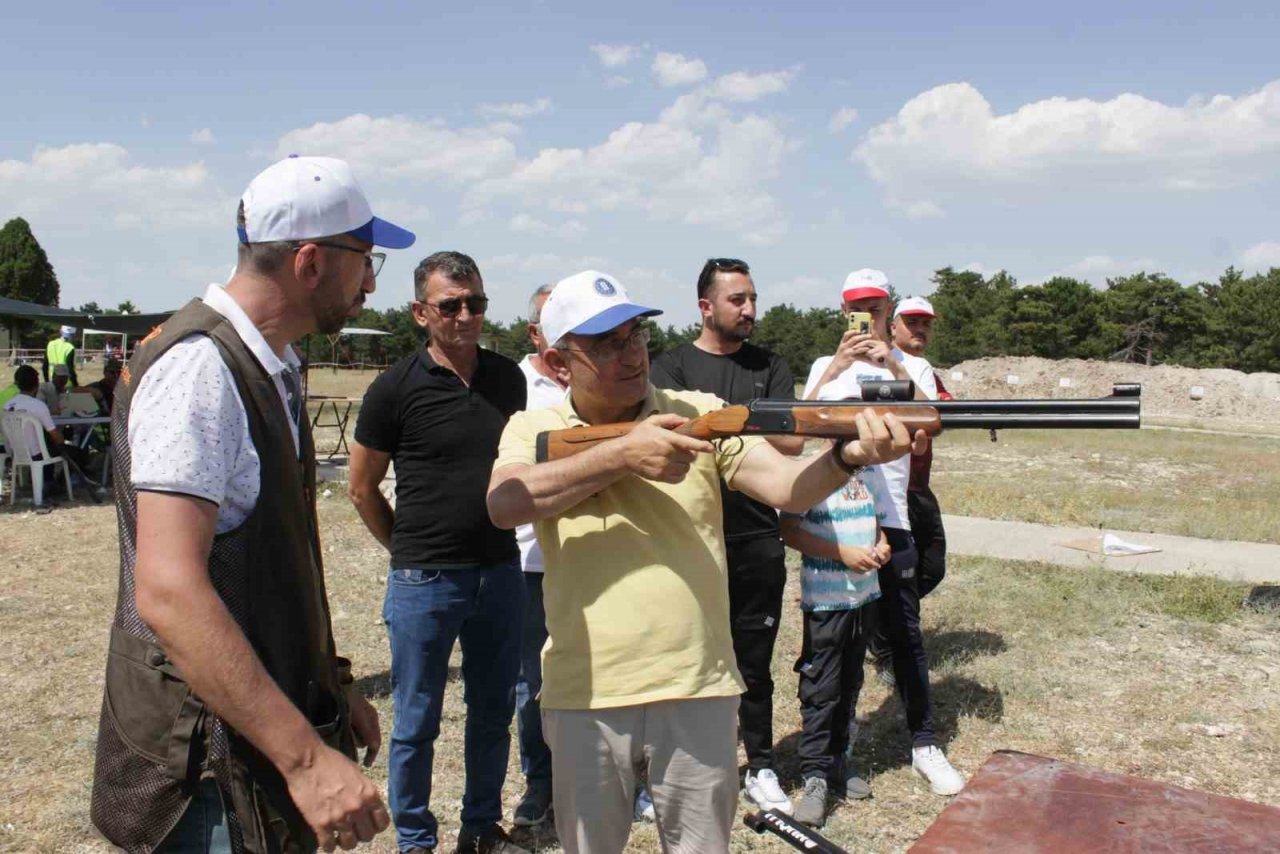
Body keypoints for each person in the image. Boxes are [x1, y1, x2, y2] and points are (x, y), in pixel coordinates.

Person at [486, 269, 924, 854]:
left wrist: (847, 455)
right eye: (606, 343)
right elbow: (505, 503)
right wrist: (621, 453)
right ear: (562, 362)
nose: (631, 352)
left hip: (699, 684)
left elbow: (789, 488)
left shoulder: (700, 411)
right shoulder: (534, 426)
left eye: (636, 335)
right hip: (585, 691)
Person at [90, 154, 413, 853]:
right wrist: (304, 759)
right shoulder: (201, 371)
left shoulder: (271, 361)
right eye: (365, 258)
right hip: (205, 768)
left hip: (243, 745)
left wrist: (331, 683)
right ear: (309, 262)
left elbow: (269, 563)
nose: (370, 280)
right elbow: (170, 591)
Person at [348, 251, 529, 854]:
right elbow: (360, 485)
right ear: (421, 312)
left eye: (475, 302)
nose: (465, 315)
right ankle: (416, 843)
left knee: (492, 712)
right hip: (426, 580)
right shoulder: (393, 387)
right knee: (416, 721)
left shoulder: (509, 380)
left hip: (501, 571)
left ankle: (480, 830)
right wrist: (404, 548)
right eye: (450, 306)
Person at [650, 257, 802, 816]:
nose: (750, 310)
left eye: (752, 298)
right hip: (685, 538)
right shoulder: (669, 367)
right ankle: (668, 771)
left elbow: (791, 447)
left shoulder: (771, 365)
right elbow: (673, 440)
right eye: (737, 299)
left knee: (753, 661)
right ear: (705, 306)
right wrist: (746, 423)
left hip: (756, 537)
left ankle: (759, 764)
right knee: (679, 655)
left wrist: (728, 424)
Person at [779, 452, 890, 827]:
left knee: (850, 682)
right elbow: (790, 530)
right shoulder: (812, 473)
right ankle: (815, 777)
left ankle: (840, 758)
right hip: (827, 600)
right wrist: (841, 553)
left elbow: (875, 523)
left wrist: (882, 541)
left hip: (865, 597)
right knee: (821, 688)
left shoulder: (870, 472)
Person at [509, 284, 569, 829]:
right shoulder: (515, 387)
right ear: (536, 333)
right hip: (531, 562)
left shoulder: (604, 386)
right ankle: (540, 785)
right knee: (533, 682)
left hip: (596, 558)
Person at [891, 297, 951, 600]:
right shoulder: (879, 363)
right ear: (892, 327)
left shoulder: (924, 370)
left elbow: (942, 413)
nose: (920, 329)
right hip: (893, 485)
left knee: (930, 566)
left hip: (916, 483)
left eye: (925, 324)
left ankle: (888, 625)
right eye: (911, 322)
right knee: (906, 566)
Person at [3, 363, 94, 495]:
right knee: (74, 452)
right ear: (37, 384)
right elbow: (56, 435)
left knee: (48, 447)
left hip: (16, 452)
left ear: (17, 383)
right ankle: (61, 483)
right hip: (37, 454)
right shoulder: (38, 406)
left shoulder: (7, 405)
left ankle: (48, 482)